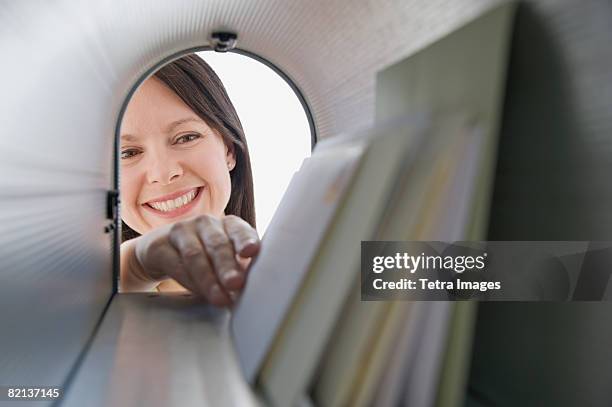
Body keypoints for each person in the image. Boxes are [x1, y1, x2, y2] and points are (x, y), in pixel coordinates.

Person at [119, 54, 260, 307]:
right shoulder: (78, 298)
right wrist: (133, 266)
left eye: (186, 138)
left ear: (229, 149)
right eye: (128, 153)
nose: (163, 173)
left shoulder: (303, 265)